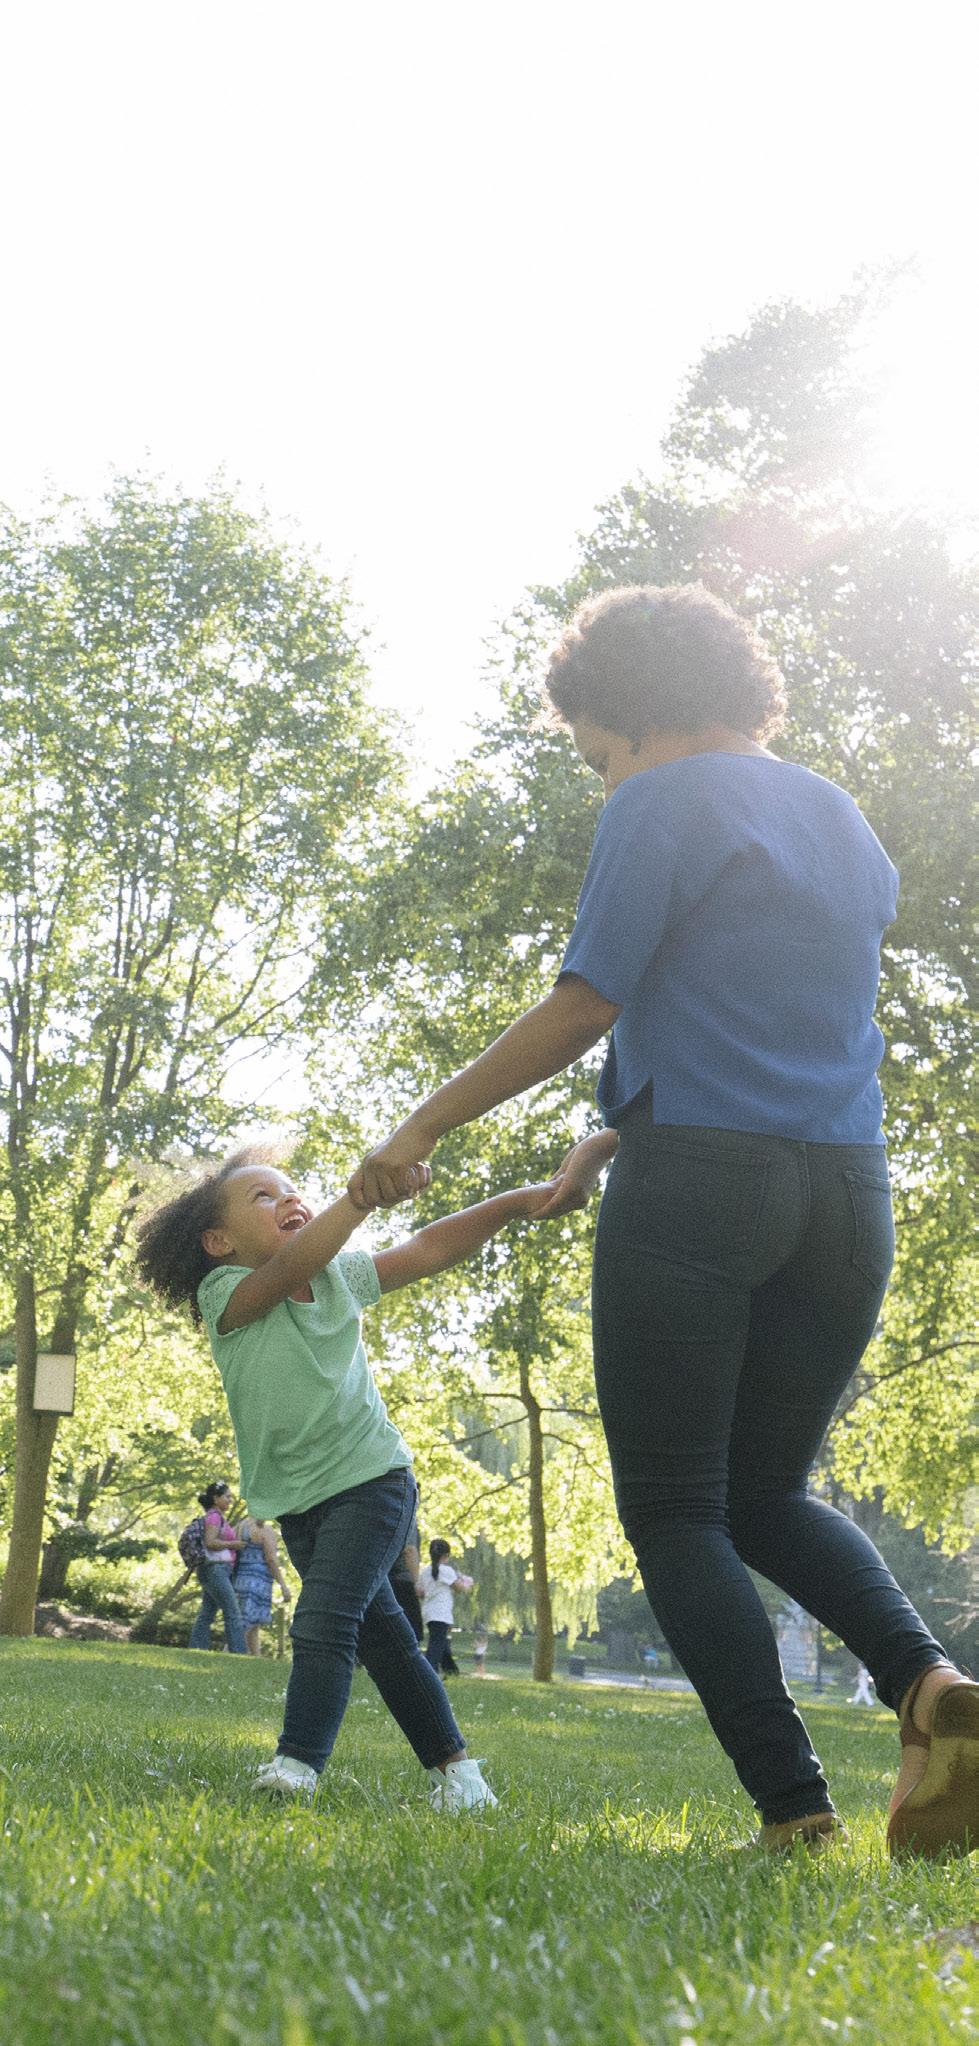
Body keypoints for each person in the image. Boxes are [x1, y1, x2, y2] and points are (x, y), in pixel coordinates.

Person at [350, 582, 979, 1859]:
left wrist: (419, 1126)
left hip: (700, 1190)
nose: (598, 781)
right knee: (768, 1493)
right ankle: (932, 1689)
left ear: (626, 713)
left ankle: (795, 1810)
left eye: (593, 753)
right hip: (849, 1192)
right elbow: (760, 1009)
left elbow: (590, 1000)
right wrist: (615, 1124)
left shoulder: (660, 799)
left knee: (679, 1506)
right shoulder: (841, 818)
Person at [136, 1148, 560, 1811]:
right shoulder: (224, 1294)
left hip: (371, 1480)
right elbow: (287, 1268)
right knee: (386, 1642)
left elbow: (423, 1250)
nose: (288, 1200)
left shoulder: (337, 1275)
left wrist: (511, 1203)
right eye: (263, 1198)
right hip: (301, 1502)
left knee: (325, 1618)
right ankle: (462, 1782)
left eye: (291, 1190)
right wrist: (359, 1201)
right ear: (218, 1242)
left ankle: (296, 1767)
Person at [188, 1480, 247, 1654]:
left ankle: (196, 1649)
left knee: (207, 1613)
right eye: (227, 1497)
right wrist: (234, 1544)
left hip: (216, 1570)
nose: (230, 1500)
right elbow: (210, 1542)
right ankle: (239, 1653)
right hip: (216, 1569)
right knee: (233, 1612)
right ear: (216, 1498)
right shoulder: (214, 1517)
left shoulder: (219, 1517)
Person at [235, 1513, 292, 1655]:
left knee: (252, 1624)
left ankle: (256, 1658)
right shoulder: (266, 1530)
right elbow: (271, 1559)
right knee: (248, 1622)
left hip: (241, 1577)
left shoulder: (241, 1526)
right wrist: (283, 1585)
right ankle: (231, 1650)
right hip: (258, 1579)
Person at [419, 1539, 473, 1675]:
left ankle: (451, 1670)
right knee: (437, 1643)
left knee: (441, 1641)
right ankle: (429, 1671)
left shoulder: (425, 1571)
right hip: (441, 1612)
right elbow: (459, 1588)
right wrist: (466, 1583)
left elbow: (419, 1591)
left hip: (429, 1611)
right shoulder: (446, 1570)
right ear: (446, 1555)